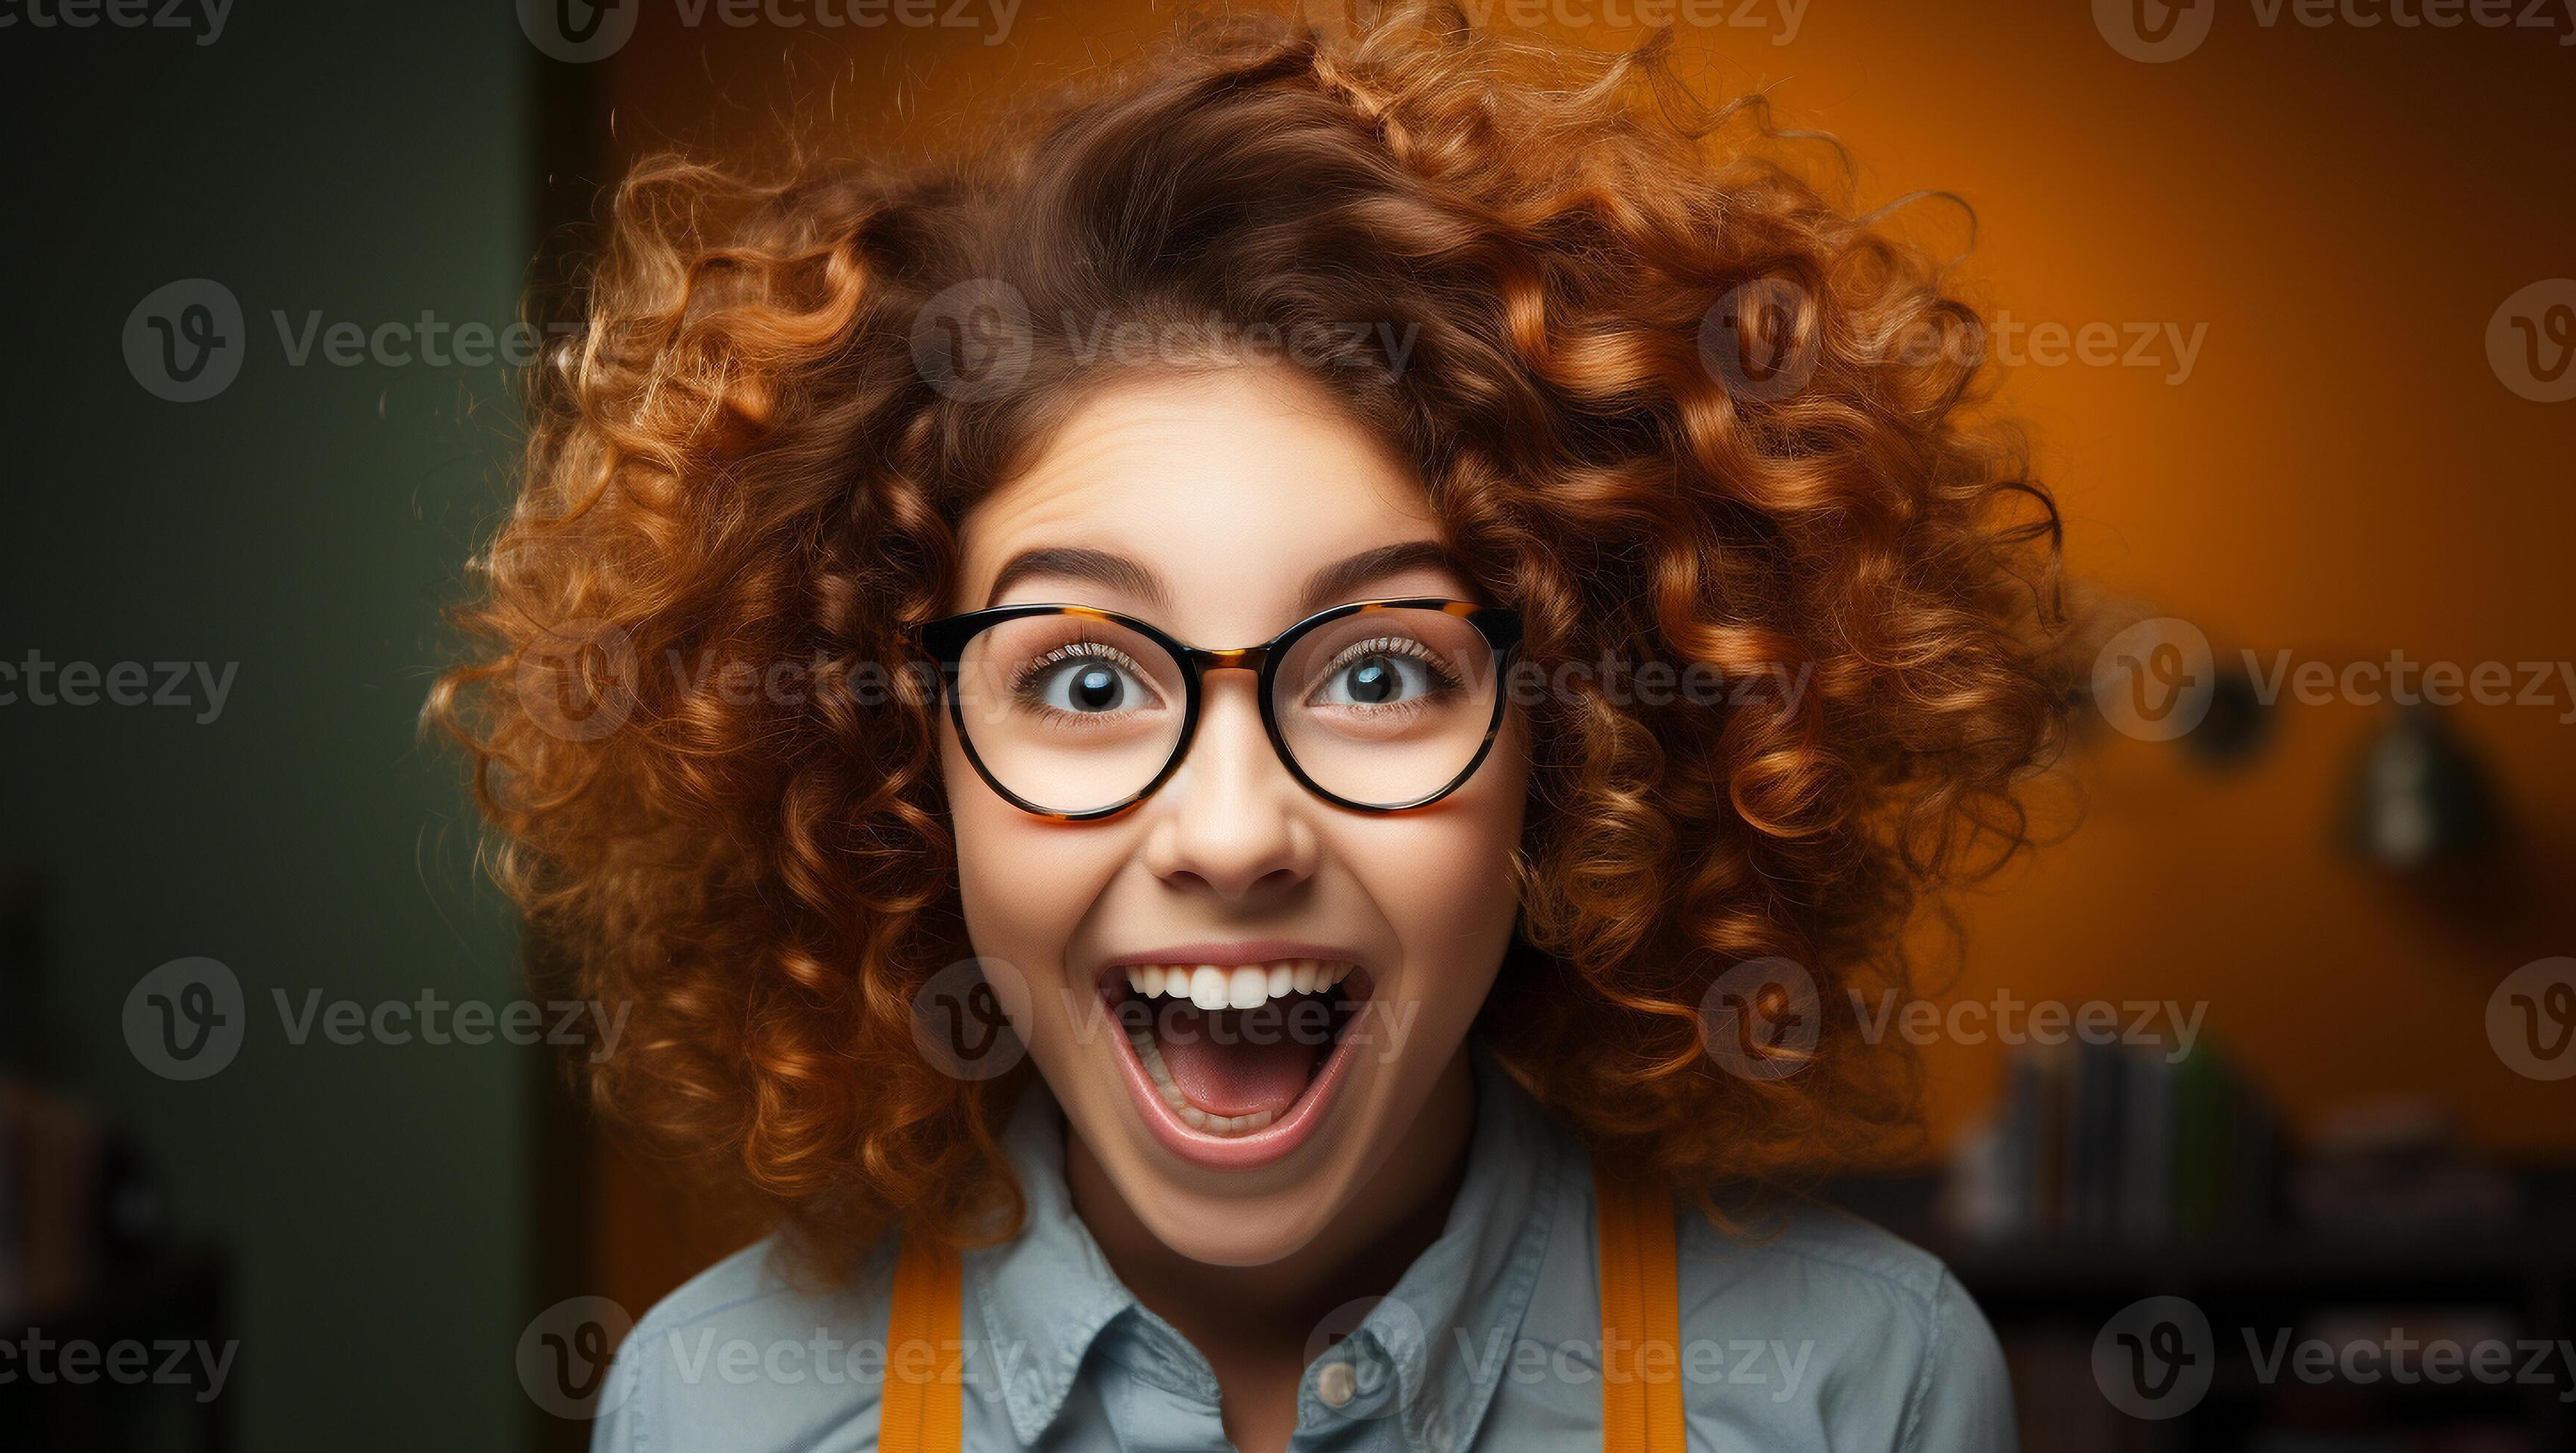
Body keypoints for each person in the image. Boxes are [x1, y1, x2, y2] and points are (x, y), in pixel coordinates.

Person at [434, 7, 2068, 1447]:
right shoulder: (719, 1406)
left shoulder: (1865, 1387)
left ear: (1568, 757)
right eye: (1084, 681)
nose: (1232, 834)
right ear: (896, 761)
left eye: (1377, 674)